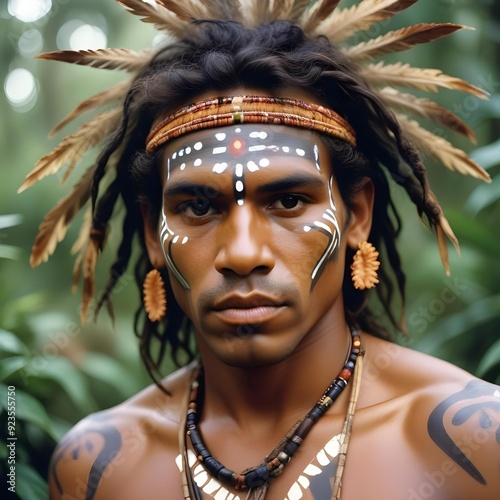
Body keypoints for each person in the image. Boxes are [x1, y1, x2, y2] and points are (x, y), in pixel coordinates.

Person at [21, 1, 499, 499]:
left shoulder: (471, 445)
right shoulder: (96, 469)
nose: (243, 253)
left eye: (289, 200)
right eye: (199, 207)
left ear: (357, 214)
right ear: (151, 230)